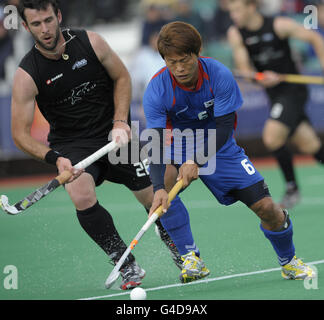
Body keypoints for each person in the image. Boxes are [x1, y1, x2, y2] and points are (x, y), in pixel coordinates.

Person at [12, 0, 208, 290]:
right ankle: (124, 262)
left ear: (59, 16)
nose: (45, 29)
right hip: (73, 145)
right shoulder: (27, 74)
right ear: (26, 27)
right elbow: (20, 135)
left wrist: (120, 122)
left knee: (155, 190)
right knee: (80, 192)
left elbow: (122, 77)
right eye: (37, 24)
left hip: (115, 136)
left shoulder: (91, 42)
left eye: (48, 20)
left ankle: (182, 253)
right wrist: (55, 158)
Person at [144, 21, 315, 281]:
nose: (178, 68)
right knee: (163, 184)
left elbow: (224, 129)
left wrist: (197, 160)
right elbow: (155, 143)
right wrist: (157, 188)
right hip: (178, 144)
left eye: (184, 60)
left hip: (219, 145)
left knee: (268, 208)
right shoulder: (156, 89)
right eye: (171, 62)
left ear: (197, 52)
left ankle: (289, 261)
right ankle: (190, 257)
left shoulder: (218, 74)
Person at [227, 0, 324, 209]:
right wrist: (260, 77)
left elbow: (315, 38)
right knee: (310, 144)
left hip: (293, 90)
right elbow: (245, 71)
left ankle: (292, 188)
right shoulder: (236, 33)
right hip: (274, 93)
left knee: (271, 137)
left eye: (237, 10)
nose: (233, 15)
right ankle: (293, 188)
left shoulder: (279, 24)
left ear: (251, 7)